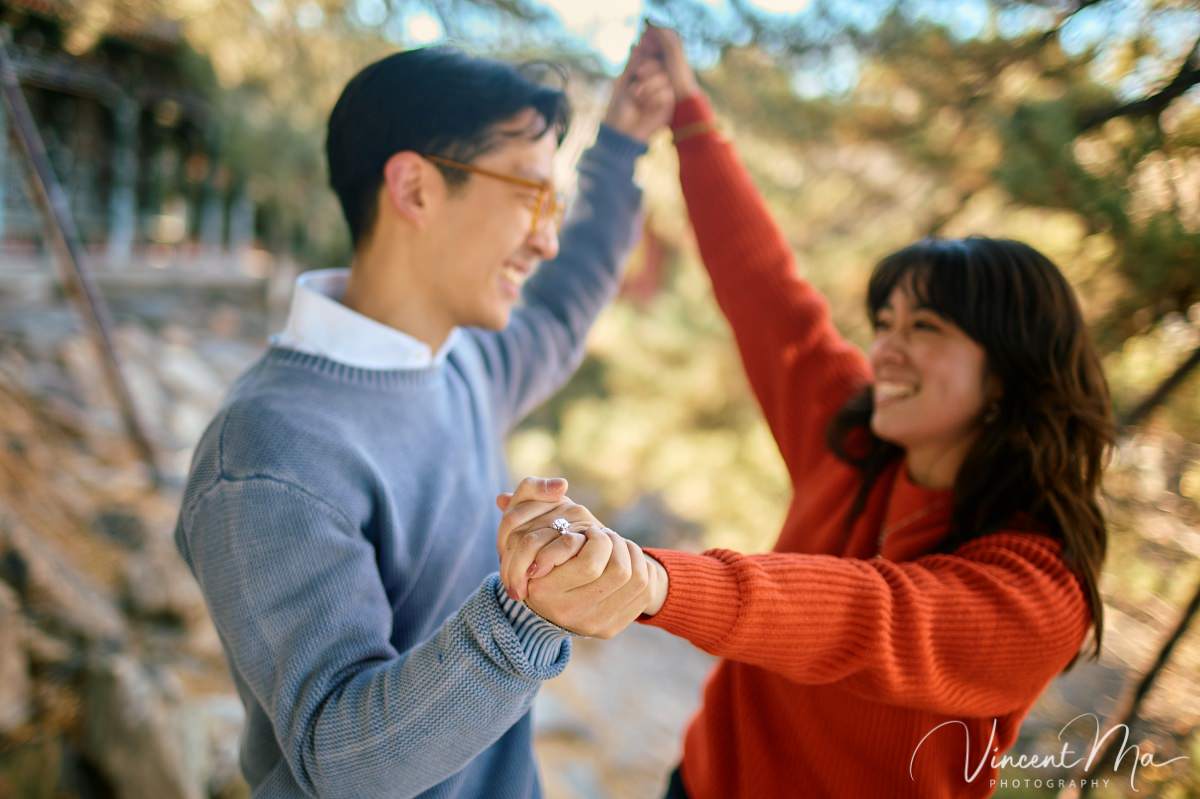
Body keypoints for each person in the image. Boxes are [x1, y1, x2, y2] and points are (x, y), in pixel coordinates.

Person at [496, 26, 1115, 799]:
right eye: (885, 323)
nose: (887, 348)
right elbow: (765, 288)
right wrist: (689, 116)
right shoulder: (853, 436)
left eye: (925, 329)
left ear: (1009, 375)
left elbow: (873, 618)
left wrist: (654, 580)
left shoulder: (1037, 590)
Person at [173, 44, 673, 798]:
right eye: (528, 196)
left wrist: (625, 142)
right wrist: (523, 617)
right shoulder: (266, 452)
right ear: (414, 189)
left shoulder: (464, 363)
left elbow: (566, 303)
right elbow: (342, 765)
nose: (545, 239)